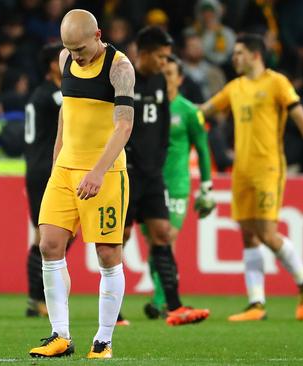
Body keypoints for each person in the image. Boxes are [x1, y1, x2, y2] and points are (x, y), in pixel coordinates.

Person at [201, 33, 303, 322]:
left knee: (267, 233)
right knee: (248, 235)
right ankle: (256, 303)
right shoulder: (235, 87)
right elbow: (204, 112)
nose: (234, 58)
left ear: (255, 55)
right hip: (242, 170)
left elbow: (302, 121)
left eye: (239, 53)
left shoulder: (277, 83)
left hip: (268, 168)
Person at [27, 9, 134, 359]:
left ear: (98, 34)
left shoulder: (119, 68)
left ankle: (103, 341)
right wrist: (58, 162)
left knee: (107, 255)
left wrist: (98, 171)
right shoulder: (65, 58)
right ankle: (60, 335)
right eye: (69, 49)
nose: (74, 56)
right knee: (49, 245)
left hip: (105, 172)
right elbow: (66, 113)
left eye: (80, 49)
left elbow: (123, 127)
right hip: (66, 169)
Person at [122, 26, 210, 327]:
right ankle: (114, 312)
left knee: (162, 234)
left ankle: (174, 306)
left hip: (151, 176)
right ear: (143, 53)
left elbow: (160, 127)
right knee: (118, 239)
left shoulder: (160, 81)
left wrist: (157, 160)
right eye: (160, 57)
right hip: (126, 174)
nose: (164, 63)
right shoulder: (122, 79)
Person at [143, 54, 215, 319]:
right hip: (149, 183)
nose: (166, 78)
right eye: (162, 73)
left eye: (171, 73)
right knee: (154, 244)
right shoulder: (149, 105)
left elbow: (204, 150)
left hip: (176, 185)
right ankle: (163, 296)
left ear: (180, 78)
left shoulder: (188, 111)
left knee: (167, 237)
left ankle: (161, 299)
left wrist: (206, 187)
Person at [23, 43, 68, 318]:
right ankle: (35, 299)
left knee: (57, 235)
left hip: (42, 167)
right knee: (45, 236)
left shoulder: (40, 94)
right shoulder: (53, 96)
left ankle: (36, 297)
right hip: (45, 169)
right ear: (53, 64)